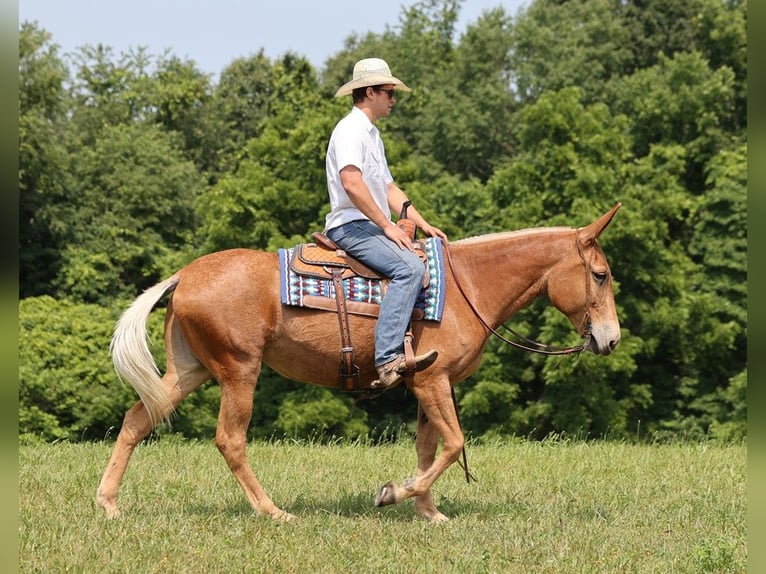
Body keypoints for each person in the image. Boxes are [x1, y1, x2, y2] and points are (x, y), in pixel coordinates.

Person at [324, 57, 448, 390]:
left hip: (369, 225)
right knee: (410, 269)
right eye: (388, 92)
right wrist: (389, 226)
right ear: (369, 93)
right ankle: (388, 358)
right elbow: (352, 182)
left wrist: (420, 221)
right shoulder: (350, 130)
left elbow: (388, 188)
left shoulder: (372, 135)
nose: (393, 100)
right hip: (351, 226)